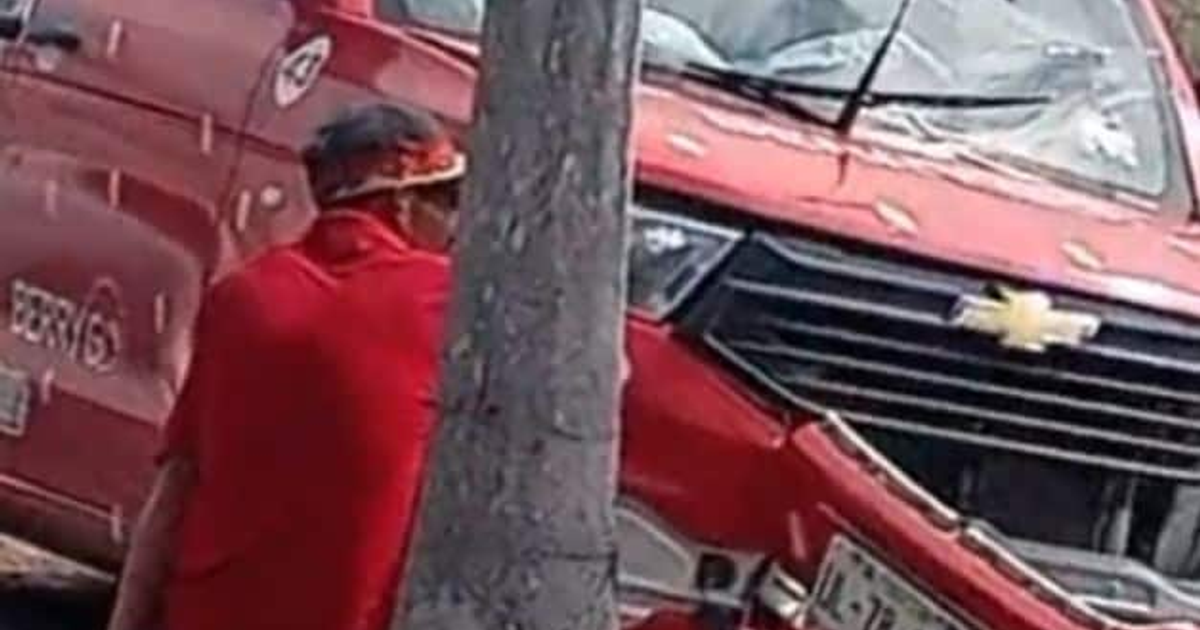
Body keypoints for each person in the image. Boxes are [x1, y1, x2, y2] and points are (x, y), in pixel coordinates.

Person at [106, 102, 465, 630]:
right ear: (403, 204)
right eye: (449, 199)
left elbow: (175, 490)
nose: (457, 224)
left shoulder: (242, 296)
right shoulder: (446, 302)